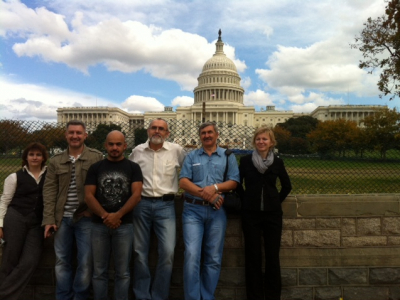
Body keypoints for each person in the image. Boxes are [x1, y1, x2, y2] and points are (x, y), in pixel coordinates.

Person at [42, 120, 103, 300]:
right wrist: (49, 219)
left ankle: (80, 296)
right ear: (66, 135)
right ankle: (63, 296)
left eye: (78, 133)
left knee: (85, 263)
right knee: (61, 262)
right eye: (71, 133)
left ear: (85, 135)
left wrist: (94, 212)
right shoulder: (56, 160)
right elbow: (49, 191)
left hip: (85, 217)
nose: (75, 136)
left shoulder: (96, 157)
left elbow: (102, 187)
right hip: (61, 219)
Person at [179, 122, 240, 300]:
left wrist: (214, 188)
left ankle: (207, 296)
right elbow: (183, 182)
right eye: (203, 133)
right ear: (200, 136)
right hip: (192, 211)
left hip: (217, 212)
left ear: (217, 134)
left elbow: (234, 181)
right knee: (191, 255)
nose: (207, 135)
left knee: (213, 257)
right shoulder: (191, 156)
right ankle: (192, 297)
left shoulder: (228, 156)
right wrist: (208, 194)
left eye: (210, 132)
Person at [129, 118, 185, 300]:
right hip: (141, 204)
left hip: (166, 206)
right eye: (154, 128)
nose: (157, 131)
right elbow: (128, 175)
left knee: (168, 252)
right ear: (148, 131)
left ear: (167, 133)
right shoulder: (137, 151)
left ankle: (159, 295)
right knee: (139, 252)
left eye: (161, 129)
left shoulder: (176, 151)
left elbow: (187, 172)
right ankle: (142, 295)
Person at [85, 130, 143, 300]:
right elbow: (88, 196)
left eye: (118, 144)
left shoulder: (133, 167)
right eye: (111, 144)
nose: (115, 147)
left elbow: (136, 195)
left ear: (125, 146)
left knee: (123, 272)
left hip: (124, 225)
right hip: (98, 225)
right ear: (105, 146)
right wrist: (106, 216)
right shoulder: (96, 168)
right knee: (98, 271)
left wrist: (118, 215)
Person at [238, 127, 292, 300]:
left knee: (272, 257)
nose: (261, 142)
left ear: (271, 142)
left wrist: (274, 200)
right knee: (252, 257)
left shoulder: (277, 162)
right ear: (255, 141)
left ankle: (272, 295)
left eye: (265, 139)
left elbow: (286, 186)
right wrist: (247, 199)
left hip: (272, 215)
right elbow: (237, 184)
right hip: (251, 214)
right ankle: (254, 296)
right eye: (258, 139)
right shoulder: (246, 161)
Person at [0, 142, 48, 300]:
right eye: (31, 154)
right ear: (26, 157)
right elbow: (4, 201)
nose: (35, 157)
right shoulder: (14, 177)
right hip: (16, 218)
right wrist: (0, 224)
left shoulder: (49, 175)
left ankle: (4, 293)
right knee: (9, 259)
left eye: (38, 155)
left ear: (43, 157)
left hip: (37, 223)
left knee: (30, 260)